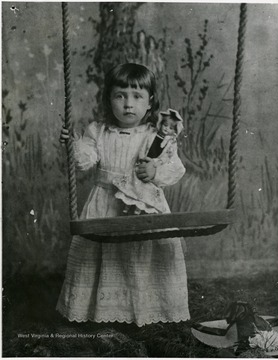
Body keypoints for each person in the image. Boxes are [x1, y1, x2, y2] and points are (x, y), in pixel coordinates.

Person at [57, 63, 190, 327]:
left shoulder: (157, 135)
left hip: (145, 206)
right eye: (120, 96)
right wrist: (73, 144)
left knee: (142, 255)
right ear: (109, 99)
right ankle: (102, 312)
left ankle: (148, 310)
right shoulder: (99, 131)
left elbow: (175, 167)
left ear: (150, 103)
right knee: (103, 255)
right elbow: (85, 161)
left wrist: (154, 170)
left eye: (137, 96)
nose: (128, 104)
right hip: (105, 203)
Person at [114, 108, 184, 215]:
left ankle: (138, 209)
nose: (166, 129)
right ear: (160, 124)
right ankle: (127, 207)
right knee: (132, 187)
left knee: (146, 190)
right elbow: (144, 146)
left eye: (170, 128)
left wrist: (156, 165)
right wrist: (142, 157)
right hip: (143, 162)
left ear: (175, 131)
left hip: (152, 166)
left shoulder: (171, 143)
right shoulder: (151, 135)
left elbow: (170, 161)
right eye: (165, 125)